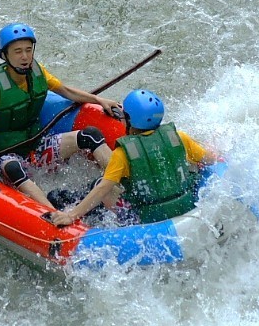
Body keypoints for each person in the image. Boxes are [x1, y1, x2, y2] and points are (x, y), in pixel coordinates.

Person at [0, 22, 121, 207]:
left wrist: (99, 100)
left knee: (91, 135)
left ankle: (118, 186)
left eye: (28, 50)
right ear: (4, 55)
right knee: (13, 167)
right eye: (18, 51)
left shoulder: (38, 72)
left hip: (36, 148)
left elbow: (66, 91)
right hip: (8, 155)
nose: (25, 56)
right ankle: (53, 213)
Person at [50, 89, 217, 227]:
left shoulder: (122, 154)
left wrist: (71, 215)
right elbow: (209, 159)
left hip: (148, 218)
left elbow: (103, 189)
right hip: (185, 206)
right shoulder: (179, 137)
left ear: (129, 120)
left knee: (98, 184)